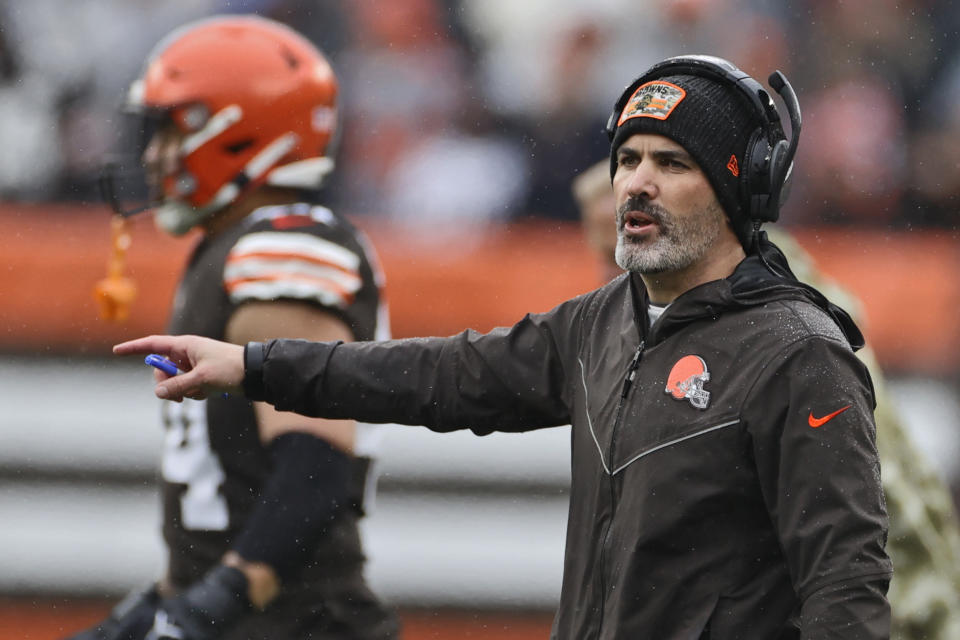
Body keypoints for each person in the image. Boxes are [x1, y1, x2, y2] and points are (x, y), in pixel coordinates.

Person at [115, 55, 893, 638]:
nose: (635, 184)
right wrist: (252, 366)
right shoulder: (601, 322)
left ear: (740, 186)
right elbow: (439, 375)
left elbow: (846, 583)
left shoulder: (798, 355)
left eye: (672, 163)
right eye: (627, 159)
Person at [69, 15, 399, 640]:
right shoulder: (230, 244)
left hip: (296, 623)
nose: (152, 154)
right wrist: (155, 609)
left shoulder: (284, 245)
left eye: (171, 130)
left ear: (240, 132)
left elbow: (313, 472)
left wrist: (216, 603)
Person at [573, 158, 960, 638]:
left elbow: (877, 499)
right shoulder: (728, 302)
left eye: (619, 241)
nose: (616, 267)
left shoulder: (776, 322)